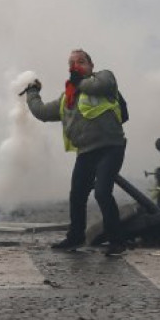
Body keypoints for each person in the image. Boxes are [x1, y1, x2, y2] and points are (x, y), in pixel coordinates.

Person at [23, 49, 128, 256]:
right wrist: (32, 92)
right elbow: (42, 112)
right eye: (72, 63)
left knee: (102, 192)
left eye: (81, 62)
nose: (76, 65)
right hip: (86, 151)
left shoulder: (104, 77)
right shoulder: (67, 98)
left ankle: (117, 241)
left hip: (110, 147)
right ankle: (75, 237)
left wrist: (78, 81)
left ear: (91, 65)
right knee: (77, 195)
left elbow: (101, 85)